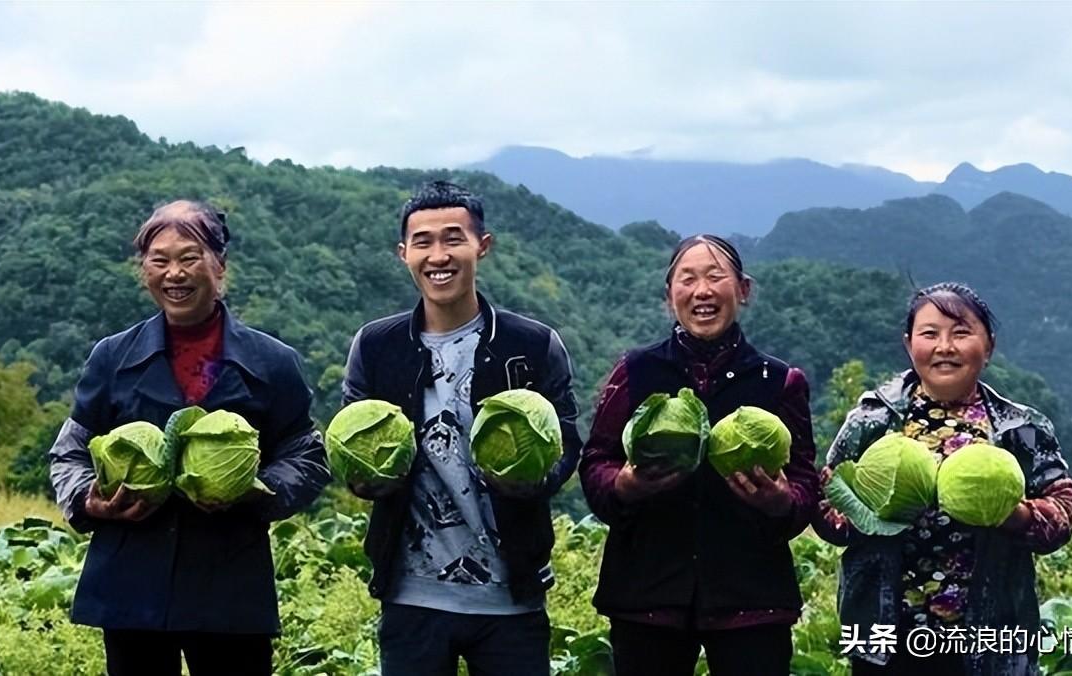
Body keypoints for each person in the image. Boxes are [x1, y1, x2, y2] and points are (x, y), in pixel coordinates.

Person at [48, 200, 331, 676]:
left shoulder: (272, 361)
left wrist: (255, 490)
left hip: (229, 588)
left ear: (219, 265)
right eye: (159, 260)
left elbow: (307, 454)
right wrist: (89, 501)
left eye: (190, 257)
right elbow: (70, 450)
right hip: (130, 585)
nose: (174, 273)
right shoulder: (112, 357)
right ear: (144, 270)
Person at [340, 180, 581, 676]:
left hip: (511, 596)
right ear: (403, 253)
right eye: (423, 242)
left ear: (482, 247)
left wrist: (535, 479)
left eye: (454, 238)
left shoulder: (532, 345)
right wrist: (362, 481)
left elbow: (567, 442)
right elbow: (351, 444)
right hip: (412, 597)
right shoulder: (376, 347)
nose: (438, 255)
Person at [579, 234, 821, 676]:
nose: (702, 291)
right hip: (647, 596)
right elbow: (595, 461)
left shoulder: (781, 381)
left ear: (743, 290)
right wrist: (624, 486)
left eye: (716, 277)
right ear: (669, 295)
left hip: (753, 600)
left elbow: (806, 483)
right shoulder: (634, 372)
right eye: (687, 279)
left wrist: (781, 501)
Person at [814, 282, 1072, 676]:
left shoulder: (1021, 427)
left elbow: (1064, 512)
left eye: (961, 333)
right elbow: (826, 504)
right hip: (887, 637)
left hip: (990, 640)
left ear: (987, 346)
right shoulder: (872, 420)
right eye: (929, 334)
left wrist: (1009, 513)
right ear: (909, 345)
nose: (945, 347)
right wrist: (876, 511)